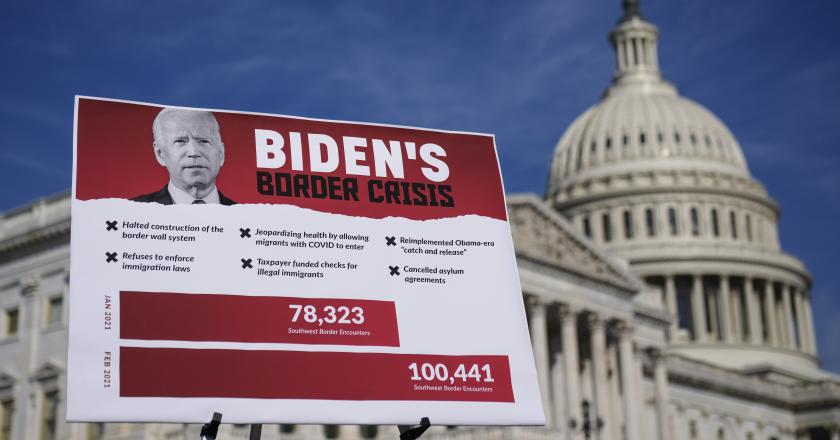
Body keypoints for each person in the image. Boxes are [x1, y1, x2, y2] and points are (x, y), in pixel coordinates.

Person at [133, 108, 236, 205]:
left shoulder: (246, 217)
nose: (194, 152)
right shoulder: (133, 212)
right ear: (160, 153)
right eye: (180, 141)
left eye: (204, 141)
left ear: (221, 153)